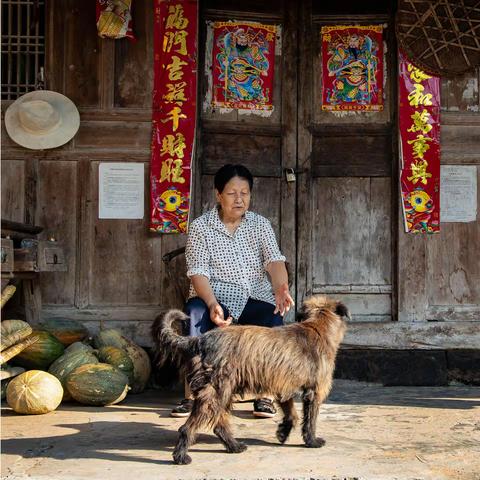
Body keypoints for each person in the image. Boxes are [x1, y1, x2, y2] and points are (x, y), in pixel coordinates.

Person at [171, 164, 294, 418]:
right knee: (193, 314)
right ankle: (194, 395)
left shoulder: (260, 224)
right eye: (232, 193)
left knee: (273, 313)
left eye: (245, 193)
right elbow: (198, 271)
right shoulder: (201, 227)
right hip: (213, 296)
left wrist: (281, 288)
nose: (239, 199)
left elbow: (274, 260)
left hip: (252, 296)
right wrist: (212, 302)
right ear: (218, 194)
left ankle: (265, 396)